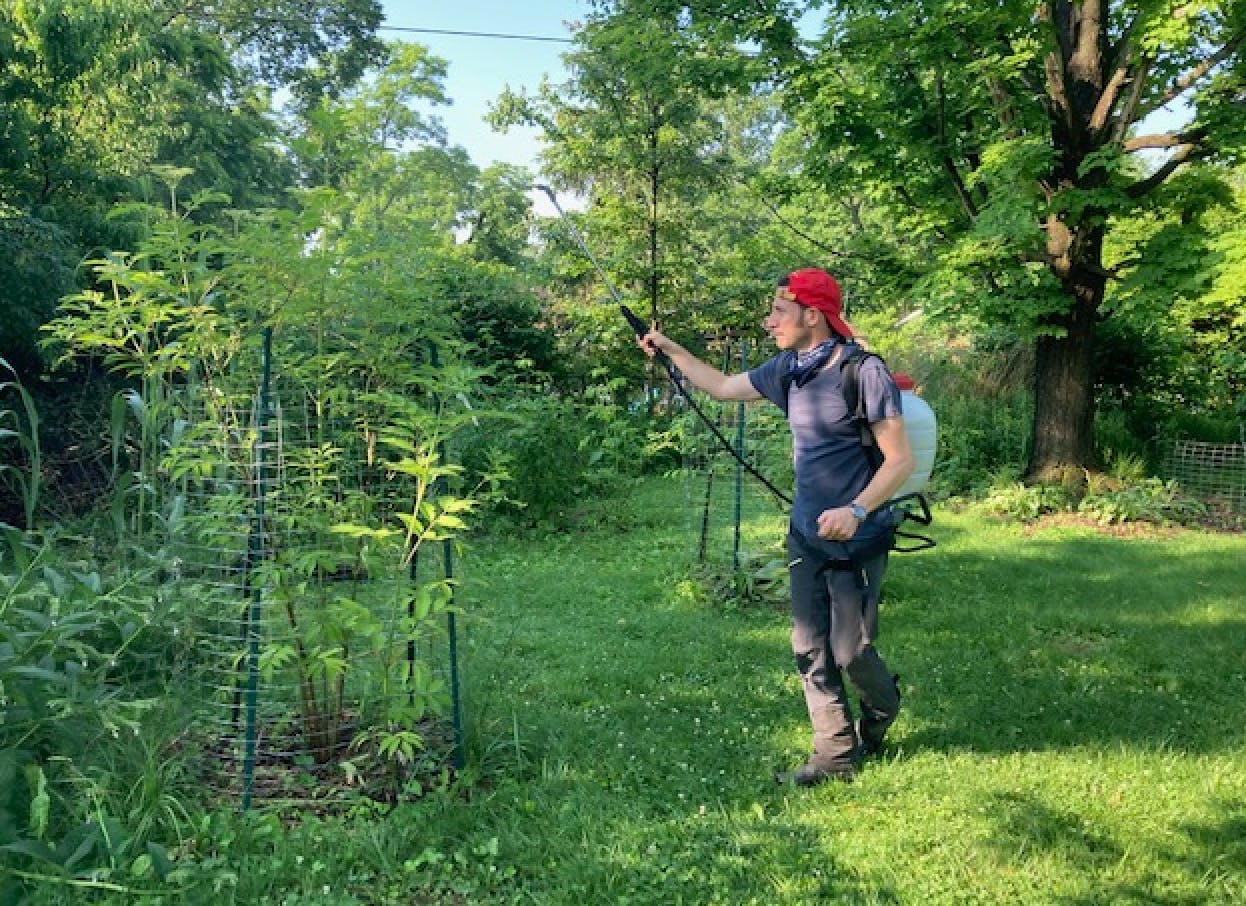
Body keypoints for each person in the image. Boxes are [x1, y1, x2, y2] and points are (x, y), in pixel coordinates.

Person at [639, 268, 915, 785]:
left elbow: (898, 460)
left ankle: (884, 704)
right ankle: (833, 758)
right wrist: (672, 349)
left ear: (813, 315)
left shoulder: (863, 371)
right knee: (810, 648)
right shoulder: (791, 369)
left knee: (850, 651)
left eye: (779, 313)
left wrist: (855, 511)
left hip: (859, 535)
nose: (769, 322)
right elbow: (721, 386)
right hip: (806, 534)